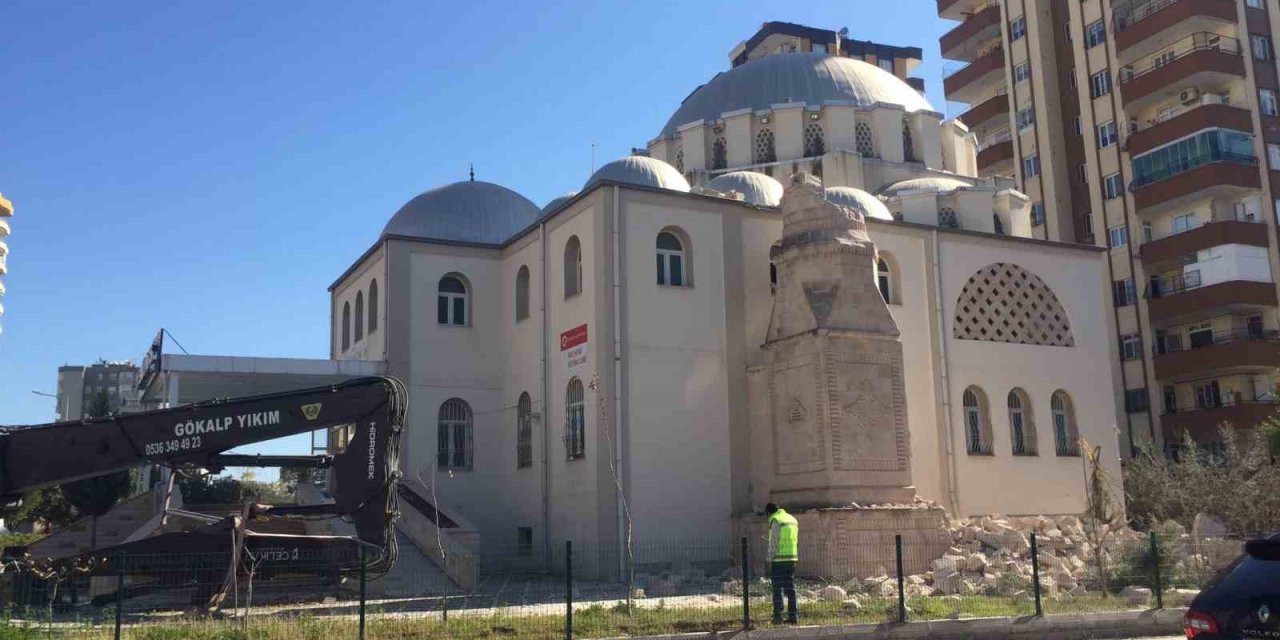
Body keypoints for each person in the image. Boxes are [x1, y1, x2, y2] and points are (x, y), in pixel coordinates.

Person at [765, 502, 798, 624]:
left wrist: (769, 558)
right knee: (791, 589)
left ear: (769, 512)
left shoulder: (776, 520)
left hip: (778, 560)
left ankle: (778, 617)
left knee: (777, 589)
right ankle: (793, 617)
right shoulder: (792, 519)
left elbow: (773, 541)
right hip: (792, 558)